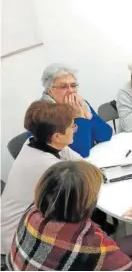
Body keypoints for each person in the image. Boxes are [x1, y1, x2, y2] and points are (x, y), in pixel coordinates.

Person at [6, 161, 132, 271]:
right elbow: (125, 267)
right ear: (85, 203)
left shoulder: (32, 213)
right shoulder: (90, 243)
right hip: (80, 259)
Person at [1, 101, 81, 254]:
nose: (75, 129)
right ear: (57, 136)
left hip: (25, 220)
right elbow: (84, 185)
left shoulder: (35, 142)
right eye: (73, 126)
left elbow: (81, 163)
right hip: (17, 238)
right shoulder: (49, 166)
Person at [40, 63, 112, 157]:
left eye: (73, 85)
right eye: (63, 86)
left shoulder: (80, 103)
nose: (71, 91)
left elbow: (106, 135)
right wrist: (79, 118)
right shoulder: (43, 114)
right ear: (50, 91)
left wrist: (88, 115)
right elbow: (80, 153)